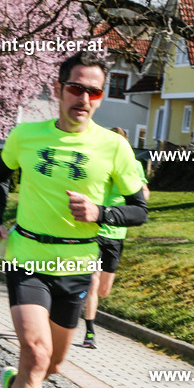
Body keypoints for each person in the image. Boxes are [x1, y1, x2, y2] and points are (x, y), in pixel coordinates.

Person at [0, 51, 148, 388]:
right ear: (58, 90)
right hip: (28, 257)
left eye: (94, 90)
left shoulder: (114, 146)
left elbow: (140, 208)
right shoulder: (26, 135)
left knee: (51, 366)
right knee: (35, 354)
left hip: (76, 267)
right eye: (76, 87)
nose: (84, 98)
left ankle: (15, 387)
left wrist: (102, 212)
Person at [82, 127, 150, 348]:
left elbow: (144, 192)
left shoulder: (134, 166)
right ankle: (89, 332)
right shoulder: (97, 161)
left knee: (104, 289)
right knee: (93, 282)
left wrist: (140, 192)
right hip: (95, 231)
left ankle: (77, 296)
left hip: (117, 233)